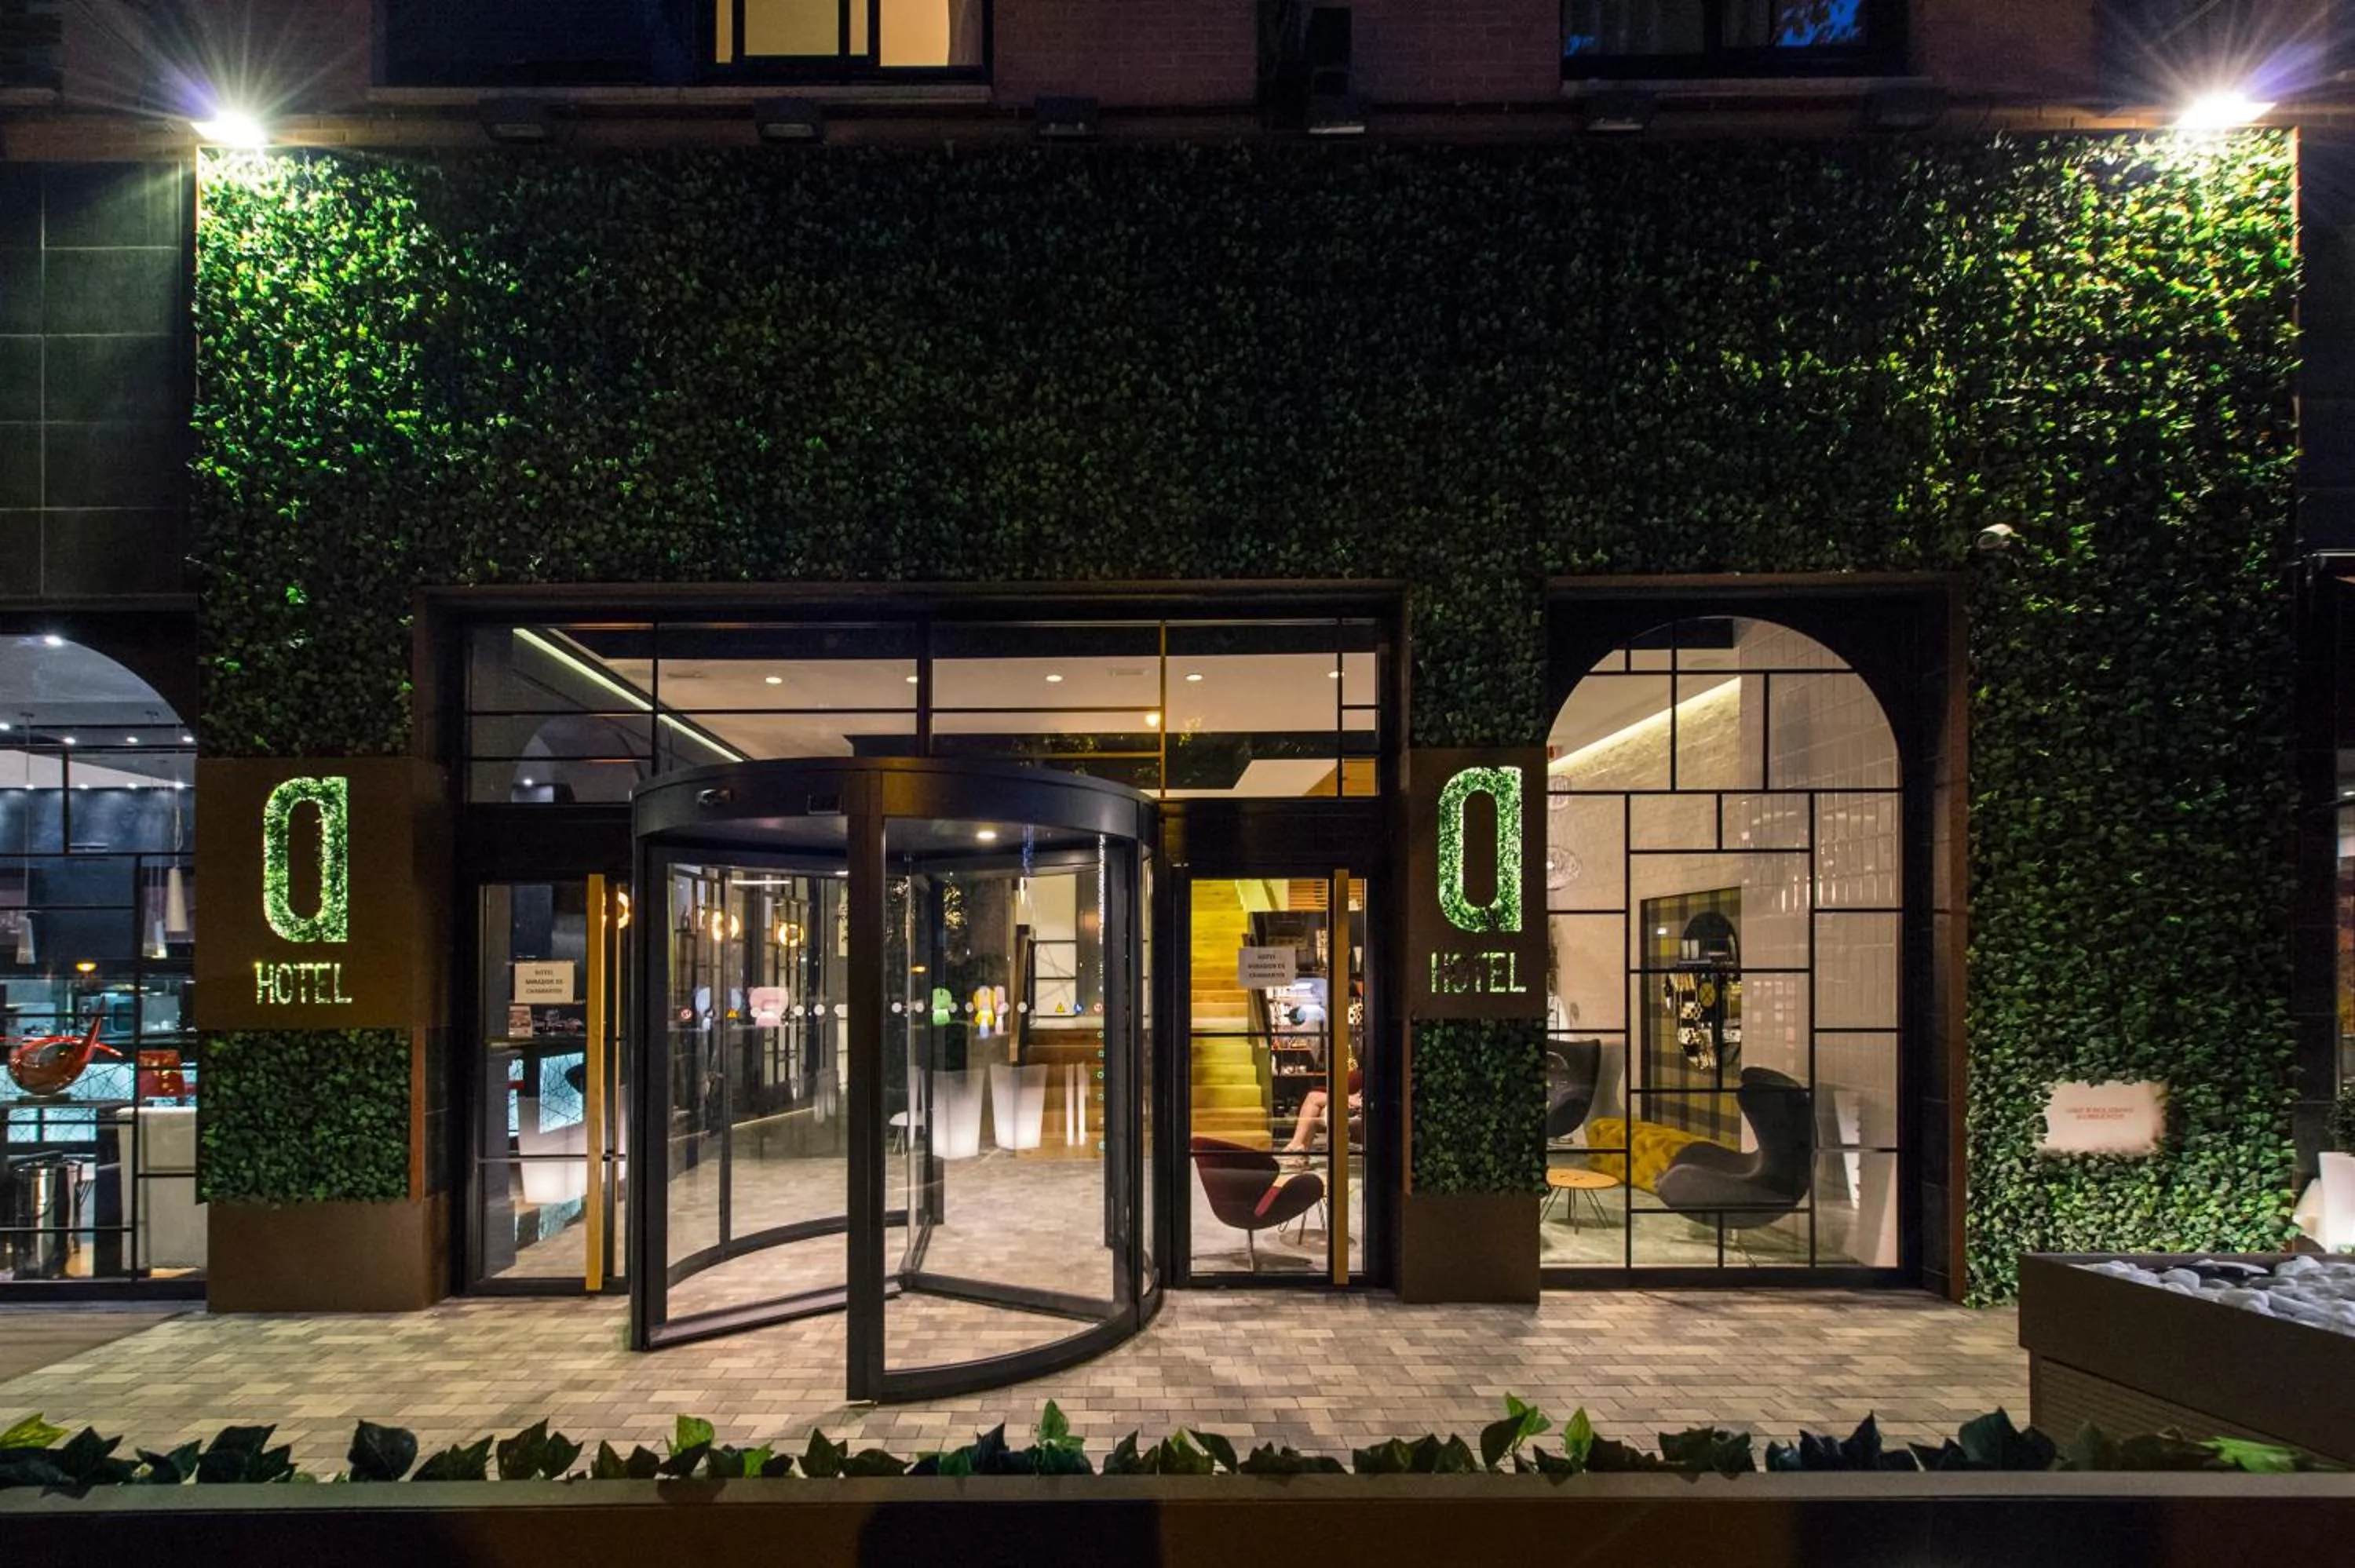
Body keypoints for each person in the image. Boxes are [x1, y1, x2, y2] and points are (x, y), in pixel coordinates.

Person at [1281, 1067, 1363, 1163]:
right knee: (1319, 1111)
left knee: (1314, 1098)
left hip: (1363, 1111)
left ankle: (1295, 1147)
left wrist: (1351, 1099)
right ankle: (1300, 1154)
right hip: (1353, 1107)